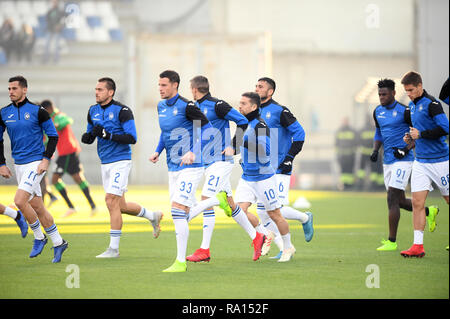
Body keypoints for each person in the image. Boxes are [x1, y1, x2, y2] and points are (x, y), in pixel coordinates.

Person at [81, 77, 162, 258]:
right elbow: (90, 134)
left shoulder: (122, 111)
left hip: (121, 161)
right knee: (121, 205)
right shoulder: (92, 110)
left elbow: (132, 138)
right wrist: (88, 136)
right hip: (105, 163)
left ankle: (113, 249)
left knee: (110, 201)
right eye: (96, 89)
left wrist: (107, 135)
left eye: (100, 89)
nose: (96, 92)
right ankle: (153, 216)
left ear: (110, 92)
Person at [0, 75, 68, 263]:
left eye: (14, 88)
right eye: (9, 89)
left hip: (36, 163)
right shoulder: (4, 113)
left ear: (24, 90)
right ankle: (59, 242)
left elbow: (53, 136)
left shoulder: (39, 112)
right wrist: (2, 163)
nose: (11, 92)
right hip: (19, 164)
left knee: (20, 201)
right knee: (37, 206)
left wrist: (46, 160)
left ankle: (39, 237)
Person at [223, 92, 296, 262]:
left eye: (243, 104)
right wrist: (231, 150)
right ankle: (263, 234)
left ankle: (288, 247)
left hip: (264, 177)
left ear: (254, 107)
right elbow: (237, 147)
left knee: (275, 214)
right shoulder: (243, 124)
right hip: (247, 177)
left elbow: (265, 151)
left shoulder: (260, 125)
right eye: (239, 103)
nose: (239, 106)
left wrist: (243, 144)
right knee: (238, 212)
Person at [184, 75, 249, 263]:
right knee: (231, 205)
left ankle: (204, 248)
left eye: (191, 89)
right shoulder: (194, 108)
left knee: (207, 197)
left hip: (221, 160)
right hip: (207, 162)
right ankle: (258, 235)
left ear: (195, 89)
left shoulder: (218, 105)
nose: (191, 93)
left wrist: (234, 146)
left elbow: (242, 121)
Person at [370, 78, 438, 252]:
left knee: (391, 197)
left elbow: (416, 134)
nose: (381, 97)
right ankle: (430, 212)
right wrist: (376, 150)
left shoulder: (405, 111)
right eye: (379, 94)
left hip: (404, 160)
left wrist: (405, 149)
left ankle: (392, 241)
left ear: (393, 93)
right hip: (388, 162)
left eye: (384, 94)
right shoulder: (377, 111)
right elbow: (378, 132)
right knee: (398, 201)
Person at [254, 77, 314, 259]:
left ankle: (303, 221)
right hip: (262, 169)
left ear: (270, 91)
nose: (256, 88)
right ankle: (286, 243)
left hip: (280, 167)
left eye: (260, 86)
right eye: (255, 86)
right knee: (263, 212)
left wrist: (289, 158)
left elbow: (300, 133)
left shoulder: (280, 111)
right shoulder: (254, 111)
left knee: (275, 210)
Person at [400, 71, 449, 258]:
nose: (409, 94)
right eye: (406, 91)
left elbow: (445, 128)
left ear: (420, 86)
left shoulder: (433, 105)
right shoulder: (412, 106)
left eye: (411, 90)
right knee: (418, 203)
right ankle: (417, 246)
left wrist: (421, 135)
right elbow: (417, 133)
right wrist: (411, 139)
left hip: (441, 162)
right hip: (420, 162)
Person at [41, 99, 97, 217]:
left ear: (49, 109)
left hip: (67, 153)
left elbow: (68, 121)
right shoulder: (50, 120)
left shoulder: (59, 116)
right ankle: (92, 206)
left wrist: (57, 125)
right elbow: (48, 138)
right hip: (68, 152)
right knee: (78, 178)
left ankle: (72, 207)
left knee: (55, 180)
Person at [357, 114, 384, 191]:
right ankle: (375, 186)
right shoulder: (375, 129)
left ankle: (360, 185)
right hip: (375, 153)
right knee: (375, 170)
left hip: (365, 153)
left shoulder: (362, 129)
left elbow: (358, 141)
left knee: (362, 170)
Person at [335, 117, 357, 190]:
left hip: (350, 155)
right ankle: (344, 185)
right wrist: (337, 155)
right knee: (343, 171)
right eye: (344, 121)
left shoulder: (352, 131)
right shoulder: (339, 131)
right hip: (342, 156)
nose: (345, 122)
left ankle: (350, 185)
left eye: (346, 121)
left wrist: (354, 153)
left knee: (350, 171)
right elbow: (336, 144)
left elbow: (355, 143)